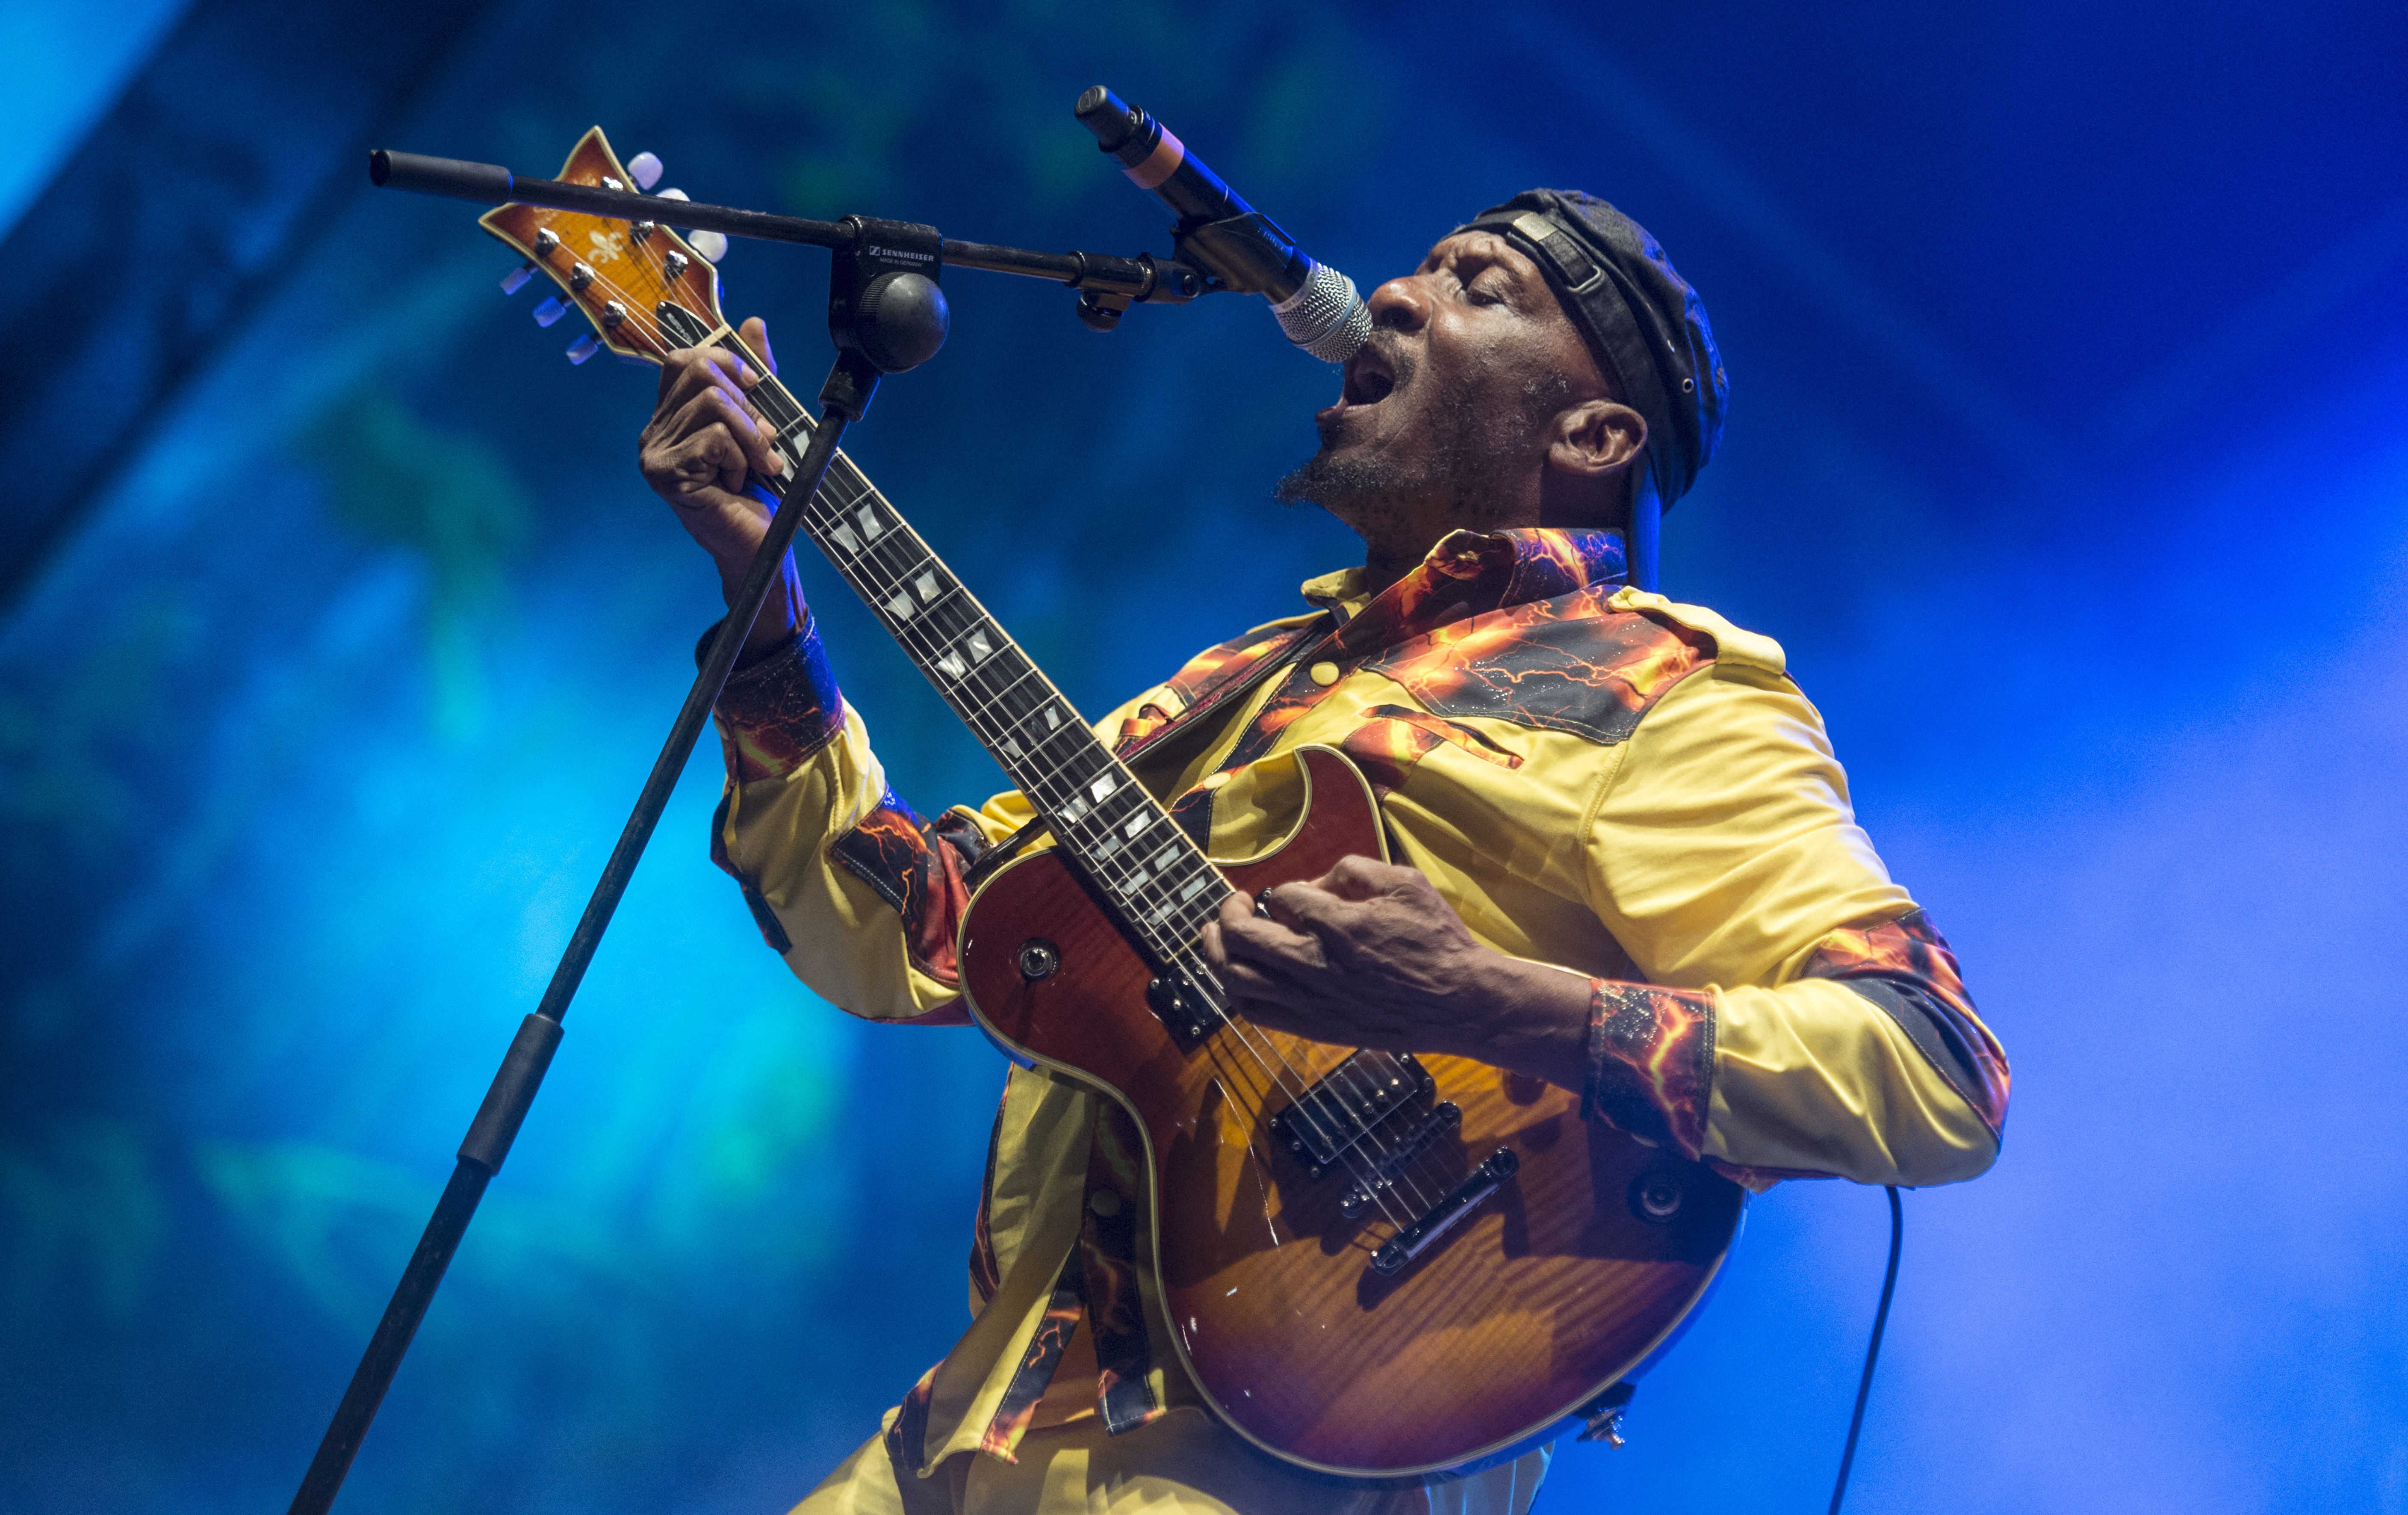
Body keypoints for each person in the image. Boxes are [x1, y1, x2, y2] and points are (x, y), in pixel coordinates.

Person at [636, 190, 2010, 1515]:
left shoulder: (1662, 687)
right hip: (976, 1424)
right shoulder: (1243, 680)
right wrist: (766, 616)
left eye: (1481, 287)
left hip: (1311, 1449)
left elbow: (1932, 1066)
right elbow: (905, 929)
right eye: (1421, 265)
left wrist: (1482, 999)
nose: (1398, 294)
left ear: (1593, 434)